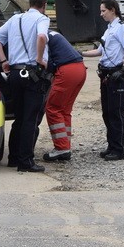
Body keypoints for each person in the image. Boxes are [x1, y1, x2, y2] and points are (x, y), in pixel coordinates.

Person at [0, 0, 51, 174]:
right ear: (44, 5)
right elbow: (41, 37)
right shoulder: (42, 19)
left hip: (15, 74)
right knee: (30, 119)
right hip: (33, 73)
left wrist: (3, 61)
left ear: (29, 3)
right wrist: (40, 58)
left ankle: (13, 158)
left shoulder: (15, 19)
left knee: (19, 117)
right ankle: (26, 161)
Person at [81, 0, 124, 161]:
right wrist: (79, 53)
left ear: (112, 10)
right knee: (107, 112)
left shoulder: (122, 27)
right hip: (105, 74)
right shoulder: (109, 29)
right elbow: (100, 51)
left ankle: (119, 150)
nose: (101, 14)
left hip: (116, 73)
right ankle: (111, 145)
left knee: (116, 112)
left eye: (103, 10)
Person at [41, 29, 88, 163]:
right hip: (79, 69)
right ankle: (65, 146)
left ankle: (61, 148)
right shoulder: (52, 33)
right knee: (64, 110)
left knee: (52, 108)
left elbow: (47, 62)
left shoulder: (42, 37)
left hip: (67, 71)